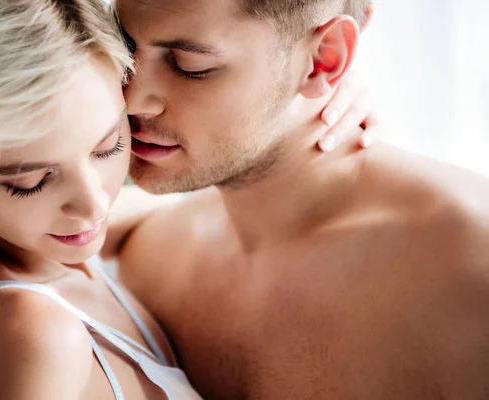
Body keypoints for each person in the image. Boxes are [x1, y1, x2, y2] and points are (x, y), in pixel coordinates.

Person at [0, 1, 372, 399]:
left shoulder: (10, 240)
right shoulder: (33, 336)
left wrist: (311, 92)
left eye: (108, 147)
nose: (94, 204)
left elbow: (194, 202)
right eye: (31, 181)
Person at [107, 0, 489, 399]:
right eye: (124, 47)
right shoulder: (152, 254)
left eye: (189, 66)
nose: (131, 100)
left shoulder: (469, 267)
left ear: (325, 60)